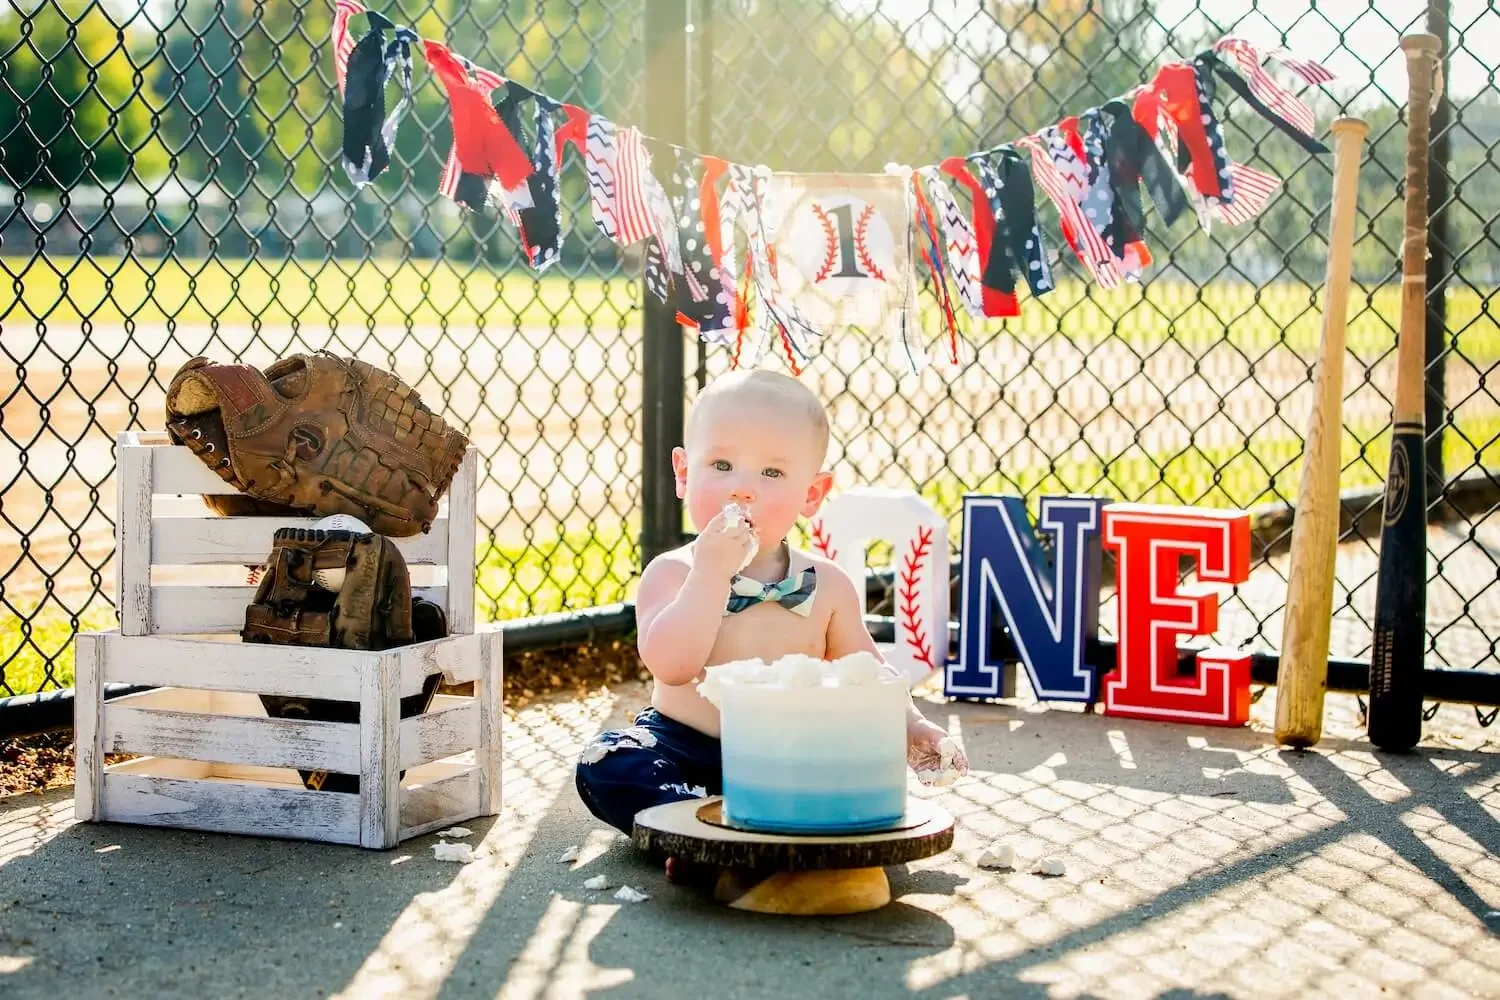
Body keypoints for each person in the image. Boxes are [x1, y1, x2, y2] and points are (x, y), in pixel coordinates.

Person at [574, 368, 969, 874]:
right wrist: (711, 574)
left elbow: (868, 673)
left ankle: (751, 832)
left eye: (772, 474)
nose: (743, 490)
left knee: (854, 764)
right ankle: (692, 833)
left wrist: (912, 726)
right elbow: (673, 666)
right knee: (608, 763)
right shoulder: (672, 573)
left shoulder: (825, 585)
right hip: (682, 751)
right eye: (721, 464)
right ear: (683, 472)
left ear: (812, 493)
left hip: (787, 756)